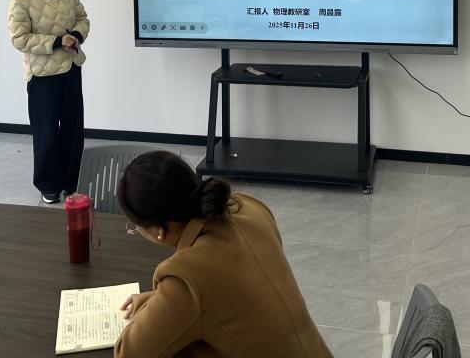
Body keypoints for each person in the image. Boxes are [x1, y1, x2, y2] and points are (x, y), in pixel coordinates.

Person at [114, 151, 334, 358]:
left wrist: (149, 311)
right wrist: (157, 300)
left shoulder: (185, 275)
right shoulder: (249, 207)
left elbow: (129, 353)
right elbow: (234, 291)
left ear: (158, 230)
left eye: (136, 227)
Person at [8, 0, 90, 204]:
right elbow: (19, 38)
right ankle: (49, 185)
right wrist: (56, 41)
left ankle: (73, 182)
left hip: (70, 68)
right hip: (42, 76)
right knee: (46, 132)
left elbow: (83, 18)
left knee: (73, 129)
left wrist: (76, 35)